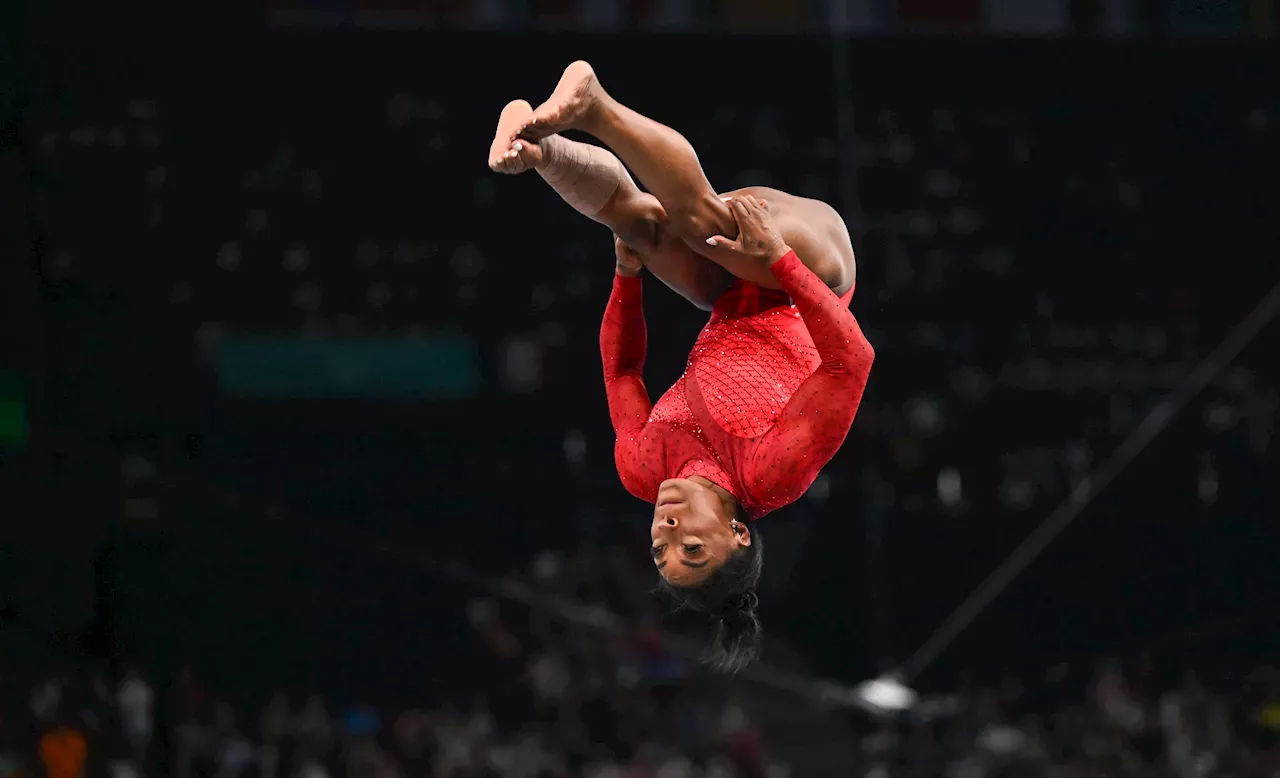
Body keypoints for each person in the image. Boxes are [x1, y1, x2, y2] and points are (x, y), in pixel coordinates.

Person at [489, 62, 874, 672]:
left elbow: (621, 373)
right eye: (691, 545)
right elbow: (851, 361)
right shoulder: (769, 474)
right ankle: (594, 105)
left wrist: (626, 277)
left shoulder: (642, 469)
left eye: (659, 545)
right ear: (738, 534)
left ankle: (538, 148)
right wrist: (781, 262)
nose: (667, 527)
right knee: (696, 225)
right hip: (815, 274)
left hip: (728, 292)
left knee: (639, 225)